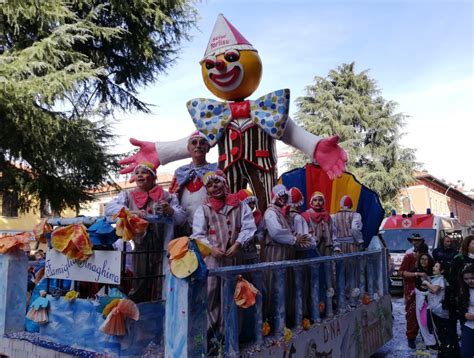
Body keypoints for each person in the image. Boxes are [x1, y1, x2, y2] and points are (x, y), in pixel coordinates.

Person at [117, 14, 347, 213]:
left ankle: (269, 251)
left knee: (270, 207)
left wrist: (315, 146)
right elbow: (192, 143)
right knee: (227, 207)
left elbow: (292, 133)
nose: (219, 66)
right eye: (211, 64)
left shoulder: (268, 111)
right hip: (227, 171)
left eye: (230, 58)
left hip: (263, 167)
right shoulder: (215, 117)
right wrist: (159, 153)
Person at [105, 162, 186, 303]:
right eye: (137, 173)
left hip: (163, 248)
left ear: (153, 177)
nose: (140, 176)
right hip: (140, 246)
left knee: (162, 281)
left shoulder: (168, 196)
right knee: (140, 281)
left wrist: (170, 211)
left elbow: (181, 218)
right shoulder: (127, 195)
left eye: (144, 172)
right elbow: (110, 208)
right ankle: (139, 312)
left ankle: (161, 313)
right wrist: (131, 212)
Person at [190, 170, 257, 337]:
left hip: (235, 260)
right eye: (210, 185)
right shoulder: (204, 210)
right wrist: (211, 248)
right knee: (211, 295)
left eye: (217, 183)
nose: (215, 187)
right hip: (213, 261)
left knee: (235, 296)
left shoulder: (240, 206)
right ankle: (211, 336)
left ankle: (232, 334)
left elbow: (249, 227)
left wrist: (238, 243)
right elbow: (198, 234)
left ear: (225, 183)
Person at [262, 184, 311, 325]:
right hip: (275, 253)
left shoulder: (283, 213)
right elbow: (276, 232)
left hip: (286, 252)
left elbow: (287, 231)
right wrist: (294, 239)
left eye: (285, 196)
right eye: (281, 196)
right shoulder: (270, 213)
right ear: (275, 196)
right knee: (275, 284)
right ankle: (272, 319)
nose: (283, 198)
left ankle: (284, 318)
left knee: (285, 284)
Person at [168, 131, 217, 234]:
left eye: (202, 143)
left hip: (210, 227)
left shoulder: (216, 171)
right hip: (183, 228)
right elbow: (172, 199)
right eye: (194, 143)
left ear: (208, 148)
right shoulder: (181, 172)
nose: (198, 146)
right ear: (188, 148)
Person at [422, 261, 460, 357]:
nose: (434, 267)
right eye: (434, 265)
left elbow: (434, 290)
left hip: (439, 311)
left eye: (436, 266)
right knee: (441, 333)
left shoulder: (441, 279)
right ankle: (445, 351)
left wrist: (426, 282)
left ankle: (445, 352)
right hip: (436, 310)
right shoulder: (437, 278)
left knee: (441, 334)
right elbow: (431, 289)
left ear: (442, 270)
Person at [399, 234, 428, 349]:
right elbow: (401, 272)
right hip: (411, 289)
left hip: (426, 288)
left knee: (425, 313)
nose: (416, 243)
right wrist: (416, 274)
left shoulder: (427, 255)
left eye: (418, 240)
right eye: (414, 241)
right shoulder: (409, 256)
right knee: (411, 314)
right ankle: (411, 337)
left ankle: (426, 337)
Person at [411, 253, 437, 350]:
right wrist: (418, 274)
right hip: (420, 298)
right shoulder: (417, 270)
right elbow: (403, 273)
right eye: (422, 259)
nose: (423, 261)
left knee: (431, 321)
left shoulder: (433, 270)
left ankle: (434, 341)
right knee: (422, 321)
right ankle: (428, 342)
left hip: (432, 297)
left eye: (426, 259)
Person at [449, 235, 474, 325]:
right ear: (467, 245)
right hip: (463, 292)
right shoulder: (459, 259)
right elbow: (452, 277)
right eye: (473, 244)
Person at [459, 263, 474, 358]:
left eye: (472, 277)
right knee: (465, 354)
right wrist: (464, 314)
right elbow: (457, 309)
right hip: (469, 325)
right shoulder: (463, 290)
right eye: (466, 279)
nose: (470, 281)